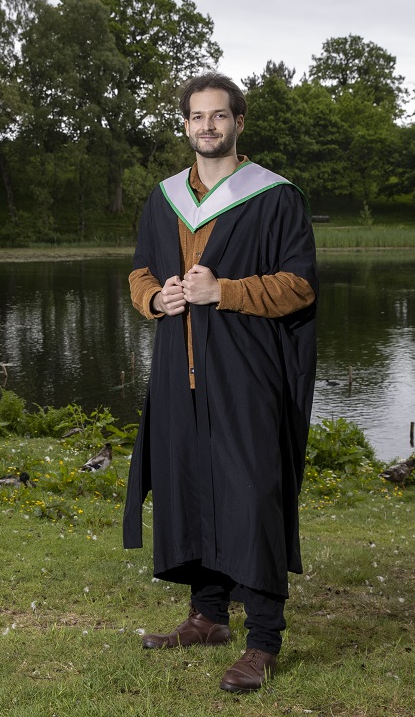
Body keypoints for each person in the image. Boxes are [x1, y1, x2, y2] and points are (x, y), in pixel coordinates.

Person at [123, 72, 317, 693]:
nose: (207, 126)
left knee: (251, 494)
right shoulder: (163, 198)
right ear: (185, 126)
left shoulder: (276, 197)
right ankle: (207, 616)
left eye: (219, 116)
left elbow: (299, 286)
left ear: (238, 123)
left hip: (246, 376)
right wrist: (159, 297)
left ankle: (263, 640)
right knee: (191, 487)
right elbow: (139, 274)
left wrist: (222, 291)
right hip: (180, 374)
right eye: (197, 117)